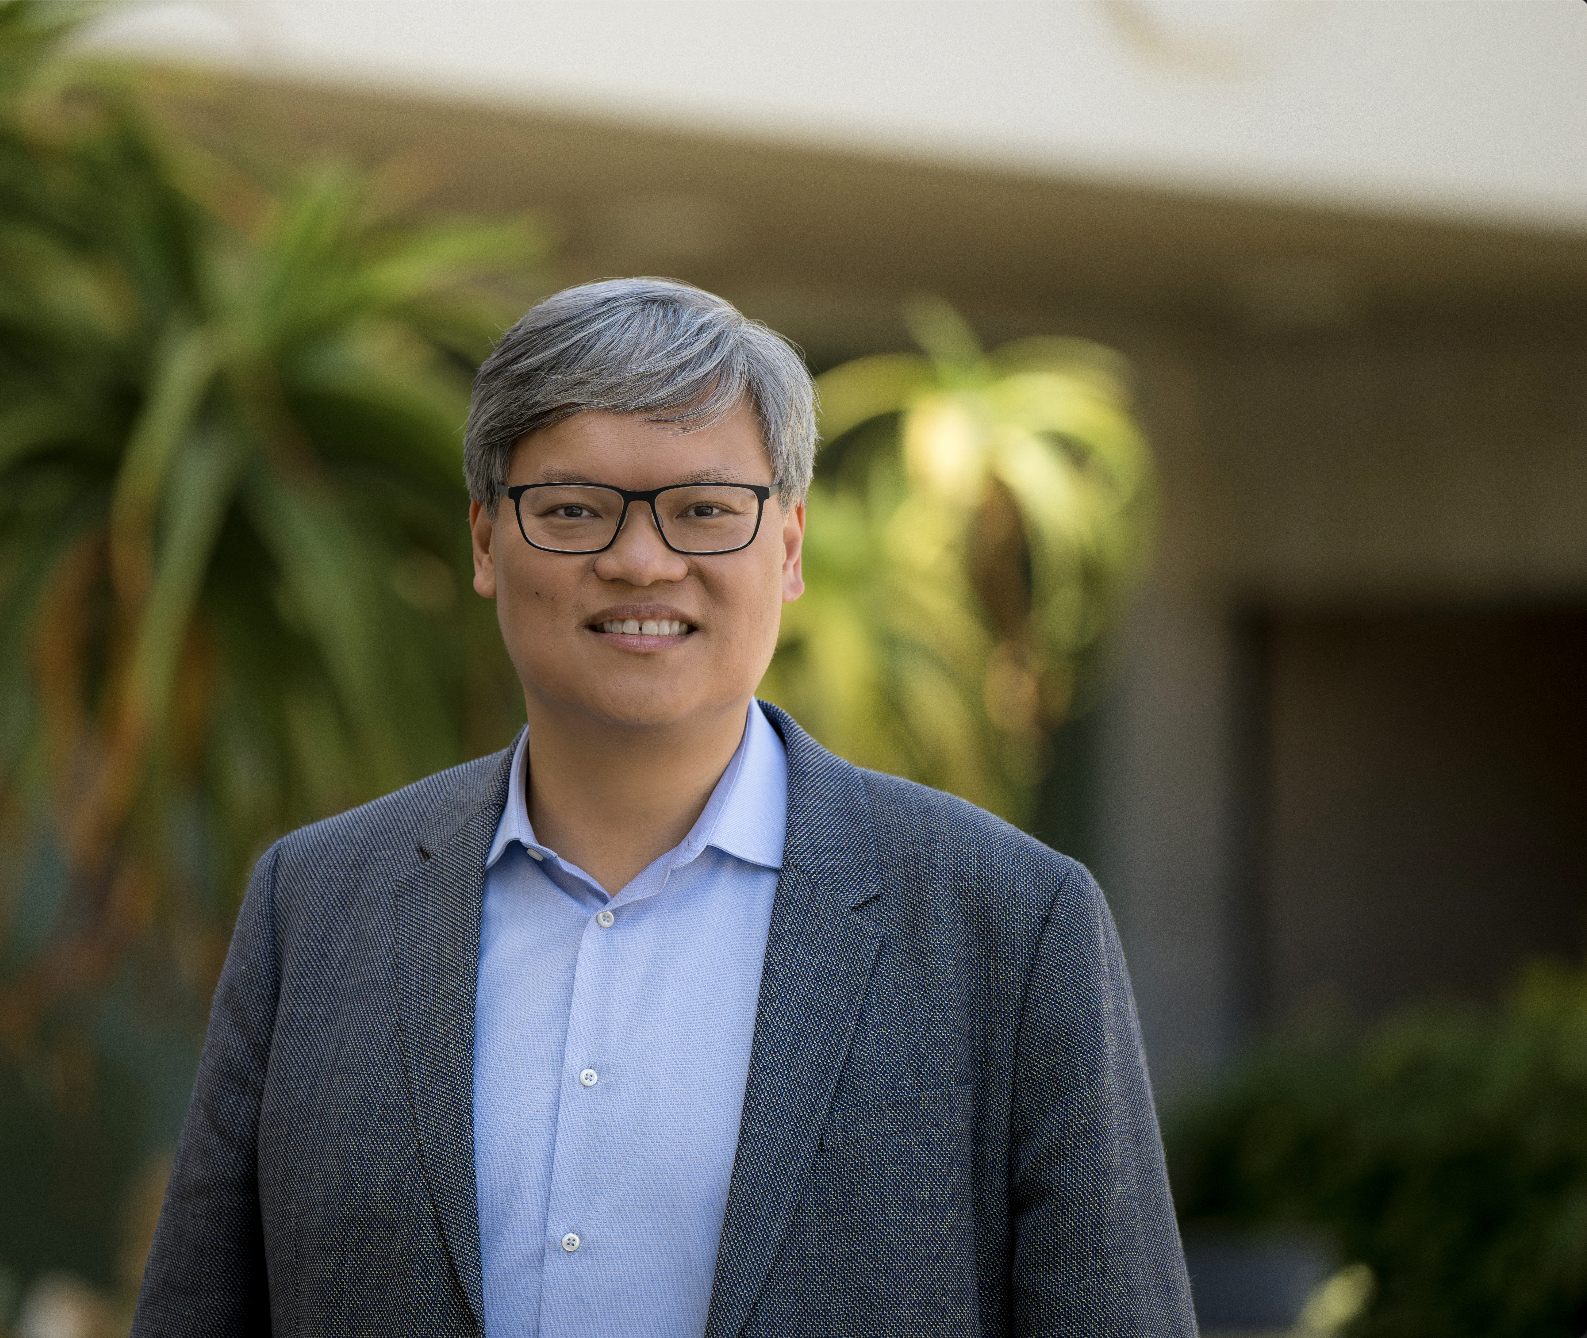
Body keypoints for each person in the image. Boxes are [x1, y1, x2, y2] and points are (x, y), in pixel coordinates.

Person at [131, 278, 1197, 1337]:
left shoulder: (1008, 922)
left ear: (786, 546)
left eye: (704, 511)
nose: (640, 562)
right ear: (484, 543)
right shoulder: (315, 904)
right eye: (572, 510)